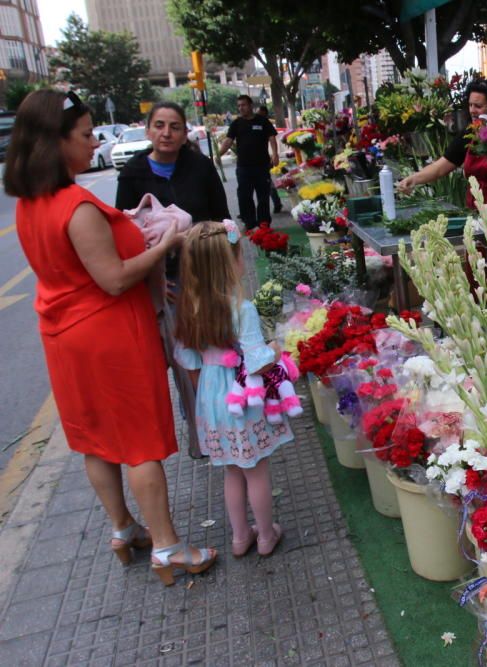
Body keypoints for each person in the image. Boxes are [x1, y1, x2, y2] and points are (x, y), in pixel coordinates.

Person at [6, 89, 216, 586]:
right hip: (109, 335)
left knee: (95, 440)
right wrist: (165, 242)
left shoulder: (30, 204)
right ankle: (168, 547)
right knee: (139, 442)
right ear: (55, 143)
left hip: (62, 334)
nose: (90, 142)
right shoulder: (75, 205)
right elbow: (115, 278)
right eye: (83, 135)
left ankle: (124, 529)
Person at [116, 101, 230, 461]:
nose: (167, 133)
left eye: (175, 127)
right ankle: (202, 439)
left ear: (185, 133)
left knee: (216, 353)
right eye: (160, 125)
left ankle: (224, 422)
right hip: (165, 282)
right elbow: (124, 234)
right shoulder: (133, 175)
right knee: (184, 363)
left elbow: (221, 220)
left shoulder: (199, 167)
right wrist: (151, 282)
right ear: (148, 130)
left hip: (206, 276)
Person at [173, 221, 292, 558]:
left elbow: (188, 361)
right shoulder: (242, 309)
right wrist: (276, 350)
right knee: (256, 470)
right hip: (242, 397)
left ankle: (240, 537)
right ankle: (266, 534)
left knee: (231, 469)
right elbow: (257, 362)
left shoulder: (188, 308)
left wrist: (206, 396)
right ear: (232, 262)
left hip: (211, 398)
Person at [396, 78, 487, 209]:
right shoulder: (469, 133)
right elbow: (440, 167)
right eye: (470, 105)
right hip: (476, 212)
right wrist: (412, 180)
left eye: (478, 106)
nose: (472, 110)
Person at [218, 95, 279, 229]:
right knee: (244, 196)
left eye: (243, 105)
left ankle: (264, 223)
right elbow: (228, 141)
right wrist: (218, 155)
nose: (241, 108)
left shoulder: (263, 121)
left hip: (262, 166)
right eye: (239, 106)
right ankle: (249, 223)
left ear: (250, 105)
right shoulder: (236, 123)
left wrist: (275, 154)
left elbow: (272, 138)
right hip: (244, 167)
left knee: (263, 196)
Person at [257, 104, 283, 214]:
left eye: (261, 114)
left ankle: (276, 203)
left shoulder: (265, 124)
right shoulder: (253, 122)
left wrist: (275, 155)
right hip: (252, 160)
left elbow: (272, 139)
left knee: (268, 183)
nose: (259, 116)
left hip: (264, 158)